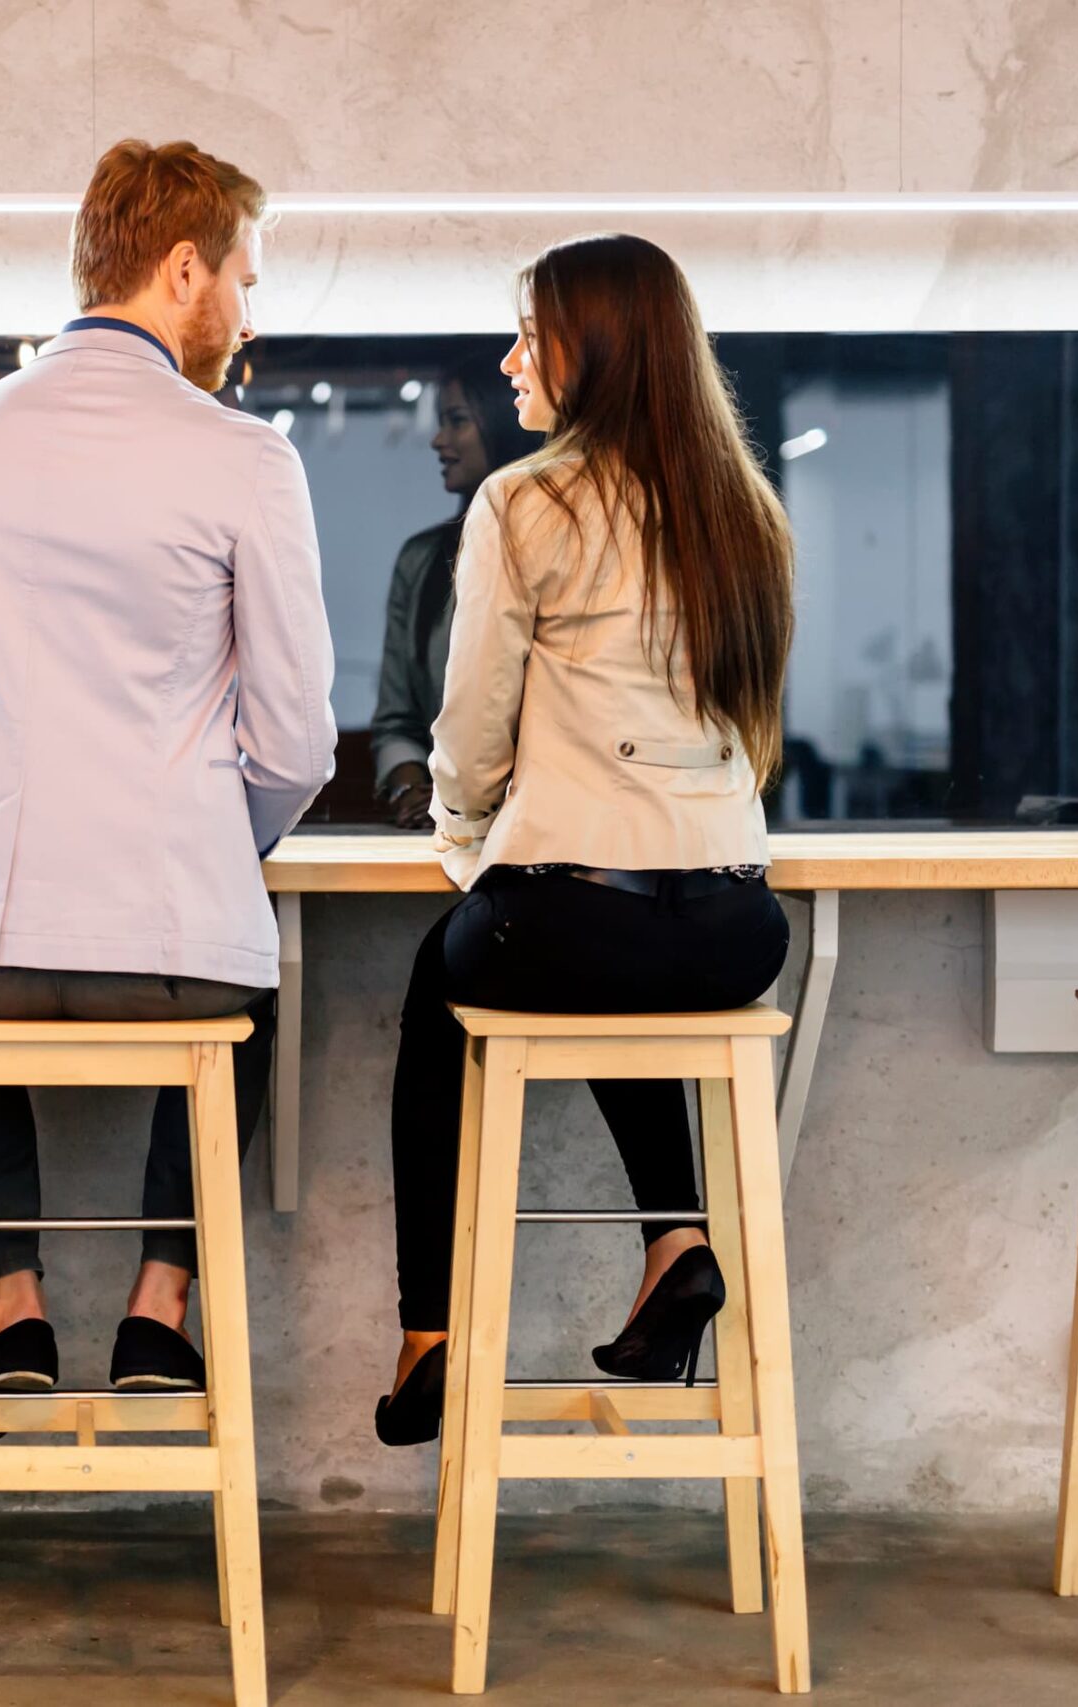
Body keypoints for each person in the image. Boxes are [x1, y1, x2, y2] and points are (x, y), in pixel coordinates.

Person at [0, 139, 337, 1407]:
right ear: (184, 269)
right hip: (169, 956)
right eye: (245, 278)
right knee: (247, 987)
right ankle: (159, 1311)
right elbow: (292, 746)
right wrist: (219, 846)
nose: (246, 309)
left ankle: (11, 1313)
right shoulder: (246, 457)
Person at [373, 233, 795, 1446]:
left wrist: (463, 840)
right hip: (733, 929)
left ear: (594, 349)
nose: (511, 363)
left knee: (482, 958)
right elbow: (748, 725)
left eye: (529, 334)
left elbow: (469, 726)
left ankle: (432, 1335)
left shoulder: (524, 503)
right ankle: (677, 1241)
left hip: (577, 919)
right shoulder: (745, 511)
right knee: (598, 949)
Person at [370, 360, 547, 827]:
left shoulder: (558, 549)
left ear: (506, 424)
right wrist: (414, 790)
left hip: (545, 826)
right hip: (452, 833)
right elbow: (396, 721)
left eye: (457, 420)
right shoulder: (422, 561)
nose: (438, 439)